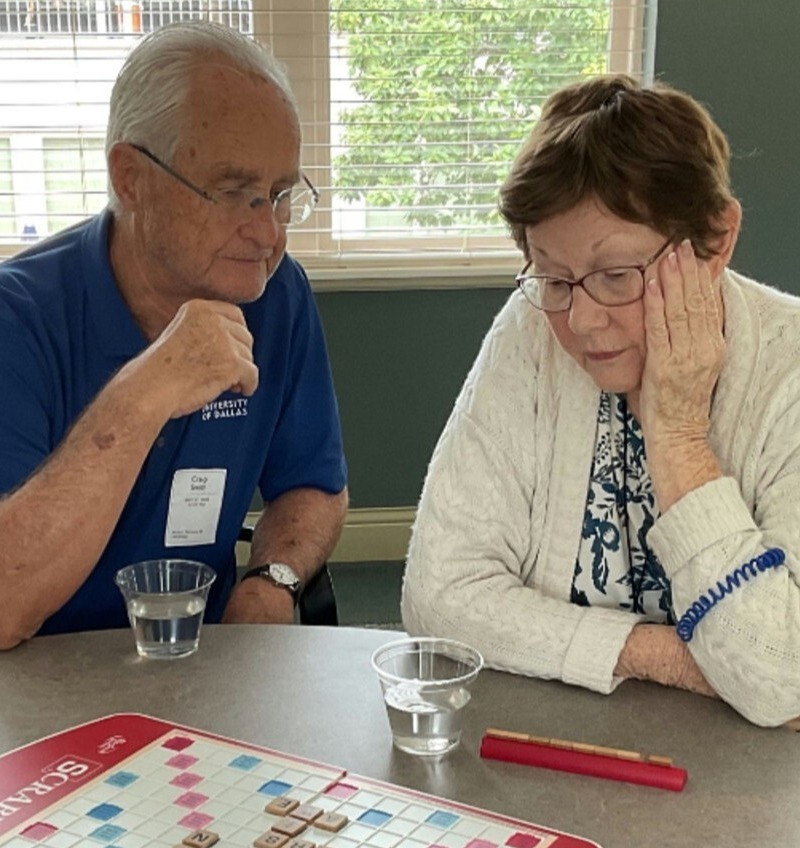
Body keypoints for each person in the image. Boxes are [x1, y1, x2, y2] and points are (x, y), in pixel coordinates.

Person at [402, 74, 800, 728]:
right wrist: (662, 654)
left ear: (717, 240)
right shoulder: (532, 330)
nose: (581, 320)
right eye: (553, 276)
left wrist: (677, 439)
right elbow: (437, 597)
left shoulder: (790, 367)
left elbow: (780, 675)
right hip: (560, 745)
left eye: (616, 275)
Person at [0, 20, 348, 648]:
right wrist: (147, 389)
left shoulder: (275, 292)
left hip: (193, 662)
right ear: (130, 177)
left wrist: (270, 584)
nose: (268, 234)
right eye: (235, 193)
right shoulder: (17, 318)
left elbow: (313, 484)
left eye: (280, 195)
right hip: (33, 676)